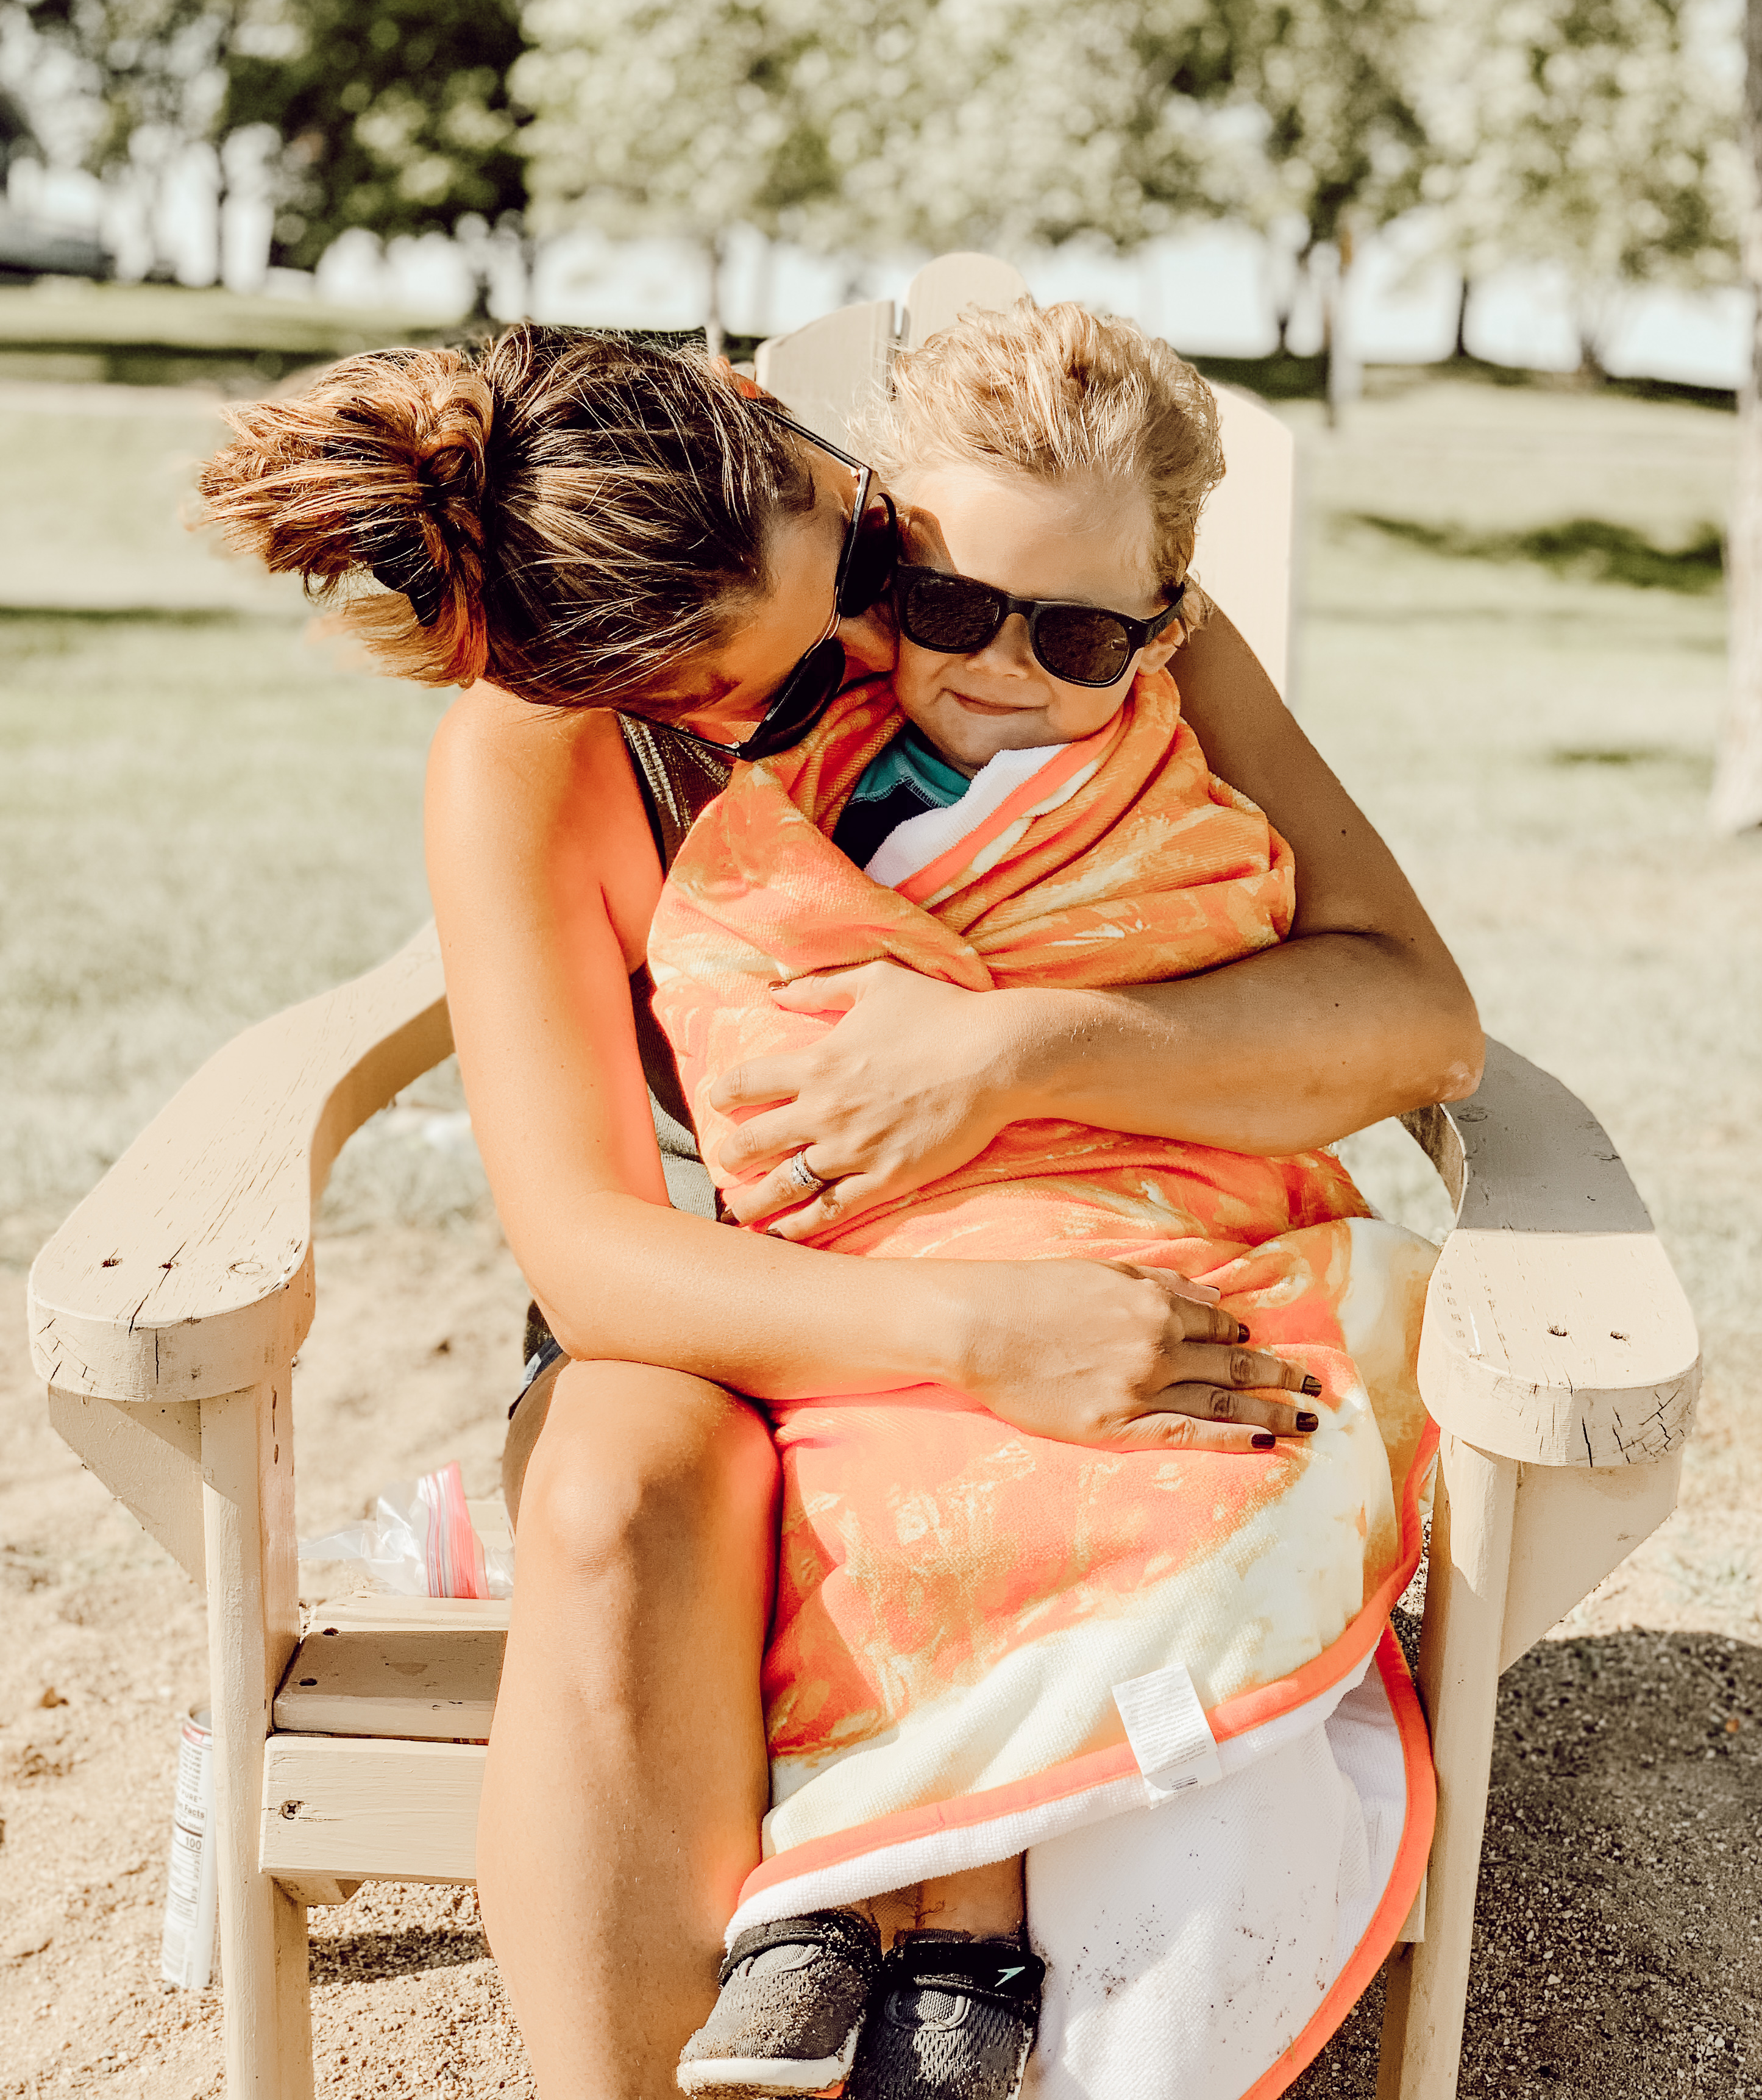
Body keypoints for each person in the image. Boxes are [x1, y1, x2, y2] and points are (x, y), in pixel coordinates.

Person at [195, 319, 1483, 2100]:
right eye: (757, 698)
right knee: (622, 1491)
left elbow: (1414, 1013)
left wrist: (1007, 1054)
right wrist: (969, 1337)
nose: (871, 661)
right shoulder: (537, 751)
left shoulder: (1049, 600)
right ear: (618, 688)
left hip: (1082, 1203)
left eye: (859, 566)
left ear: (779, 427)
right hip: (718, 1284)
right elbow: (586, 1245)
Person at [650, 302, 1438, 2100]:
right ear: (871, 578)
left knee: (1163, 1427)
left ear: (1163, 626)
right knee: (869, 1460)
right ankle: (853, 1903)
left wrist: (998, 1051)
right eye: (947, 609)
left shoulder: (1166, 763)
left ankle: (936, 1936)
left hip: (1149, 1212)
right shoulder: (802, 757)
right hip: (890, 1260)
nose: (1005, 669)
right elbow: (741, 962)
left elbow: (1342, 983)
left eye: (1079, 634)